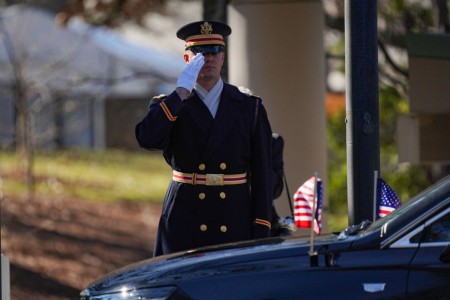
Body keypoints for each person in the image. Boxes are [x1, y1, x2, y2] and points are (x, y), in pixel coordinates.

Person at [135, 20, 273, 256]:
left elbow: (263, 172)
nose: (208, 58)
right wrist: (180, 93)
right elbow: (146, 139)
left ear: (223, 58)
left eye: (214, 51)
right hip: (185, 217)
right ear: (186, 59)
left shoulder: (250, 107)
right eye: (199, 52)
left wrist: (261, 225)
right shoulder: (171, 104)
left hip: (233, 216)